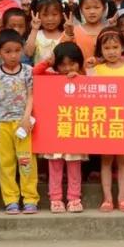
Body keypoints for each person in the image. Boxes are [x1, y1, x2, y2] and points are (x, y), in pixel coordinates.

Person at [32, 42, 90, 213]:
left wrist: (80, 77)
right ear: (56, 65)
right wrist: (47, 63)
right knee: (55, 165)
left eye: (72, 63)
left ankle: (74, 198)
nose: (67, 68)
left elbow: (97, 89)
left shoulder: (85, 79)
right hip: (55, 130)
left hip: (75, 130)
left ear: (79, 63)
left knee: (74, 166)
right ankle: (55, 198)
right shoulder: (51, 77)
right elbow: (34, 74)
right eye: (62, 64)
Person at [89, 28, 124, 212]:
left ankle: (122, 198)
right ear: (100, 50)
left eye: (115, 47)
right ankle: (107, 198)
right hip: (105, 121)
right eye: (106, 48)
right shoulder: (97, 70)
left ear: (122, 48)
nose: (111, 51)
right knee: (106, 160)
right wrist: (89, 68)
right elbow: (88, 90)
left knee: (123, 160)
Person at [0, 28, 38, 214]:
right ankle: (10, 199)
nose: (13, 55)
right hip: (3, 123)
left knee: (26, 161)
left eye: (17, 50)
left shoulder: (28, 71)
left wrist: (26, 118)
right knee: (6, 163)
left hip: (24, 123)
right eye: (8, 51)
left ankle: (30, 198)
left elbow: (32, 95)